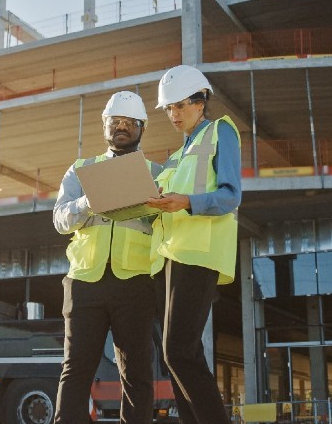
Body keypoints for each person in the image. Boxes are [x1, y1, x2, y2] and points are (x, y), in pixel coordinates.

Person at [53, 91, 161, 424]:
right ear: (105, 126)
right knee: (75, 370)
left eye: (129, 123)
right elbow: (59, 220)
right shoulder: (81, 170)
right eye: (115, 123)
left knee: (137, 372)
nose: (122, 128)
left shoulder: (157, 172)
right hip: (86, 281)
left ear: (141, 128)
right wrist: (87, 202)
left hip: (135, 282)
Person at [145, 65, 241, 424]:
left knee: (178, 350)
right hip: (168, 259)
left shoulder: (221, 133)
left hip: (198, 254)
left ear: (201, 102)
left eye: (180, 105)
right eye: (168, 108)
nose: (174, 114)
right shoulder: (177, 156)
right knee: (175, 355)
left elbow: (231, 196)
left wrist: (186, 202)